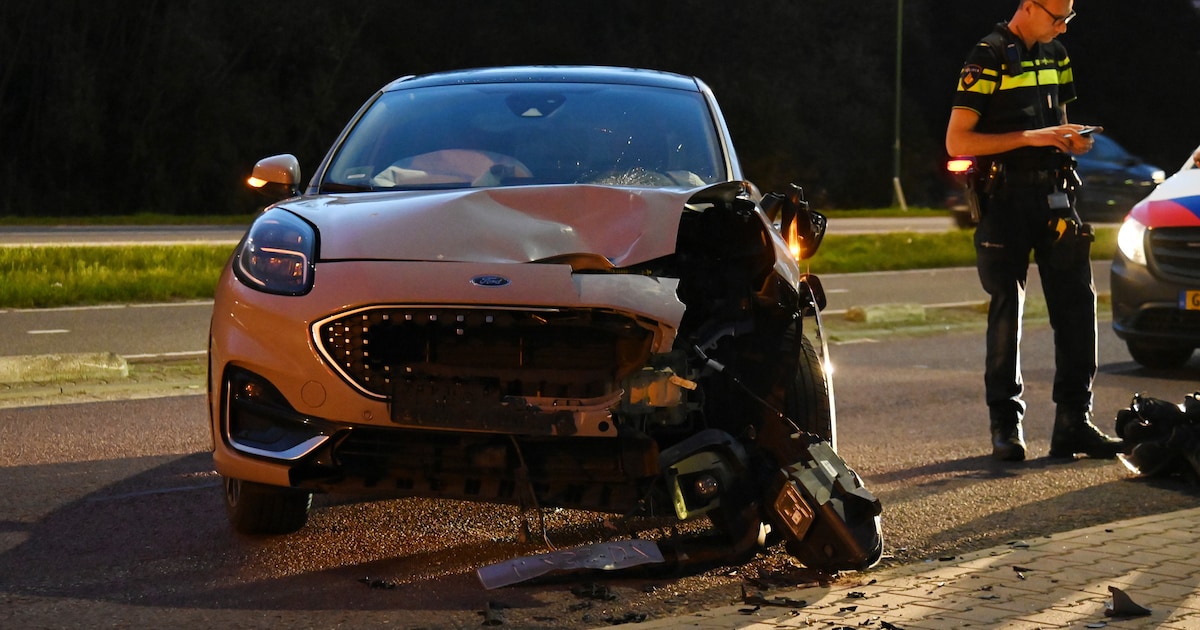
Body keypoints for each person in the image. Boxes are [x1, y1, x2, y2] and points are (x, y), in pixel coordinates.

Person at [945, 0, 1123, 462]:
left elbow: (1056, 122)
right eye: (1056, 16)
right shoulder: (987, 56)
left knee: (1078, 307)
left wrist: (1070, 138)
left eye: (1068, 17)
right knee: (1008, 309)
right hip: (1004, 199)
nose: (1063, 26)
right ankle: (1006, 427)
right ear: (1028, 6)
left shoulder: (1056, 54)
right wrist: (1027, 138)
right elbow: (958, 140)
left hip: (1055, 195)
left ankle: (1074, 422)